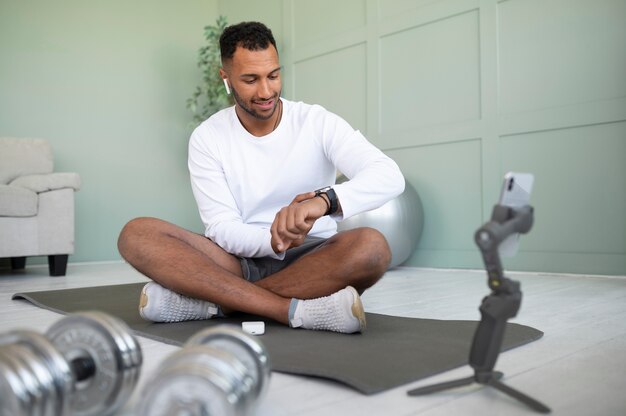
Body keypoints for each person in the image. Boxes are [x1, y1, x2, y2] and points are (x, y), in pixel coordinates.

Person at [117, 21, 405, 334]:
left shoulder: (316, 121)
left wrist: (324, 201)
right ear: (225, 78)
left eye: (273, 75)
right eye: (250, 80)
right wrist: (274, 240)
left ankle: (220, 304)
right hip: (236, 260)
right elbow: (222, 227)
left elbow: (388, 175)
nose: (266, 91)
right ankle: (289, 309)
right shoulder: (207, 137)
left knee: (372, 248)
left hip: (312, 256)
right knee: (136, 234)